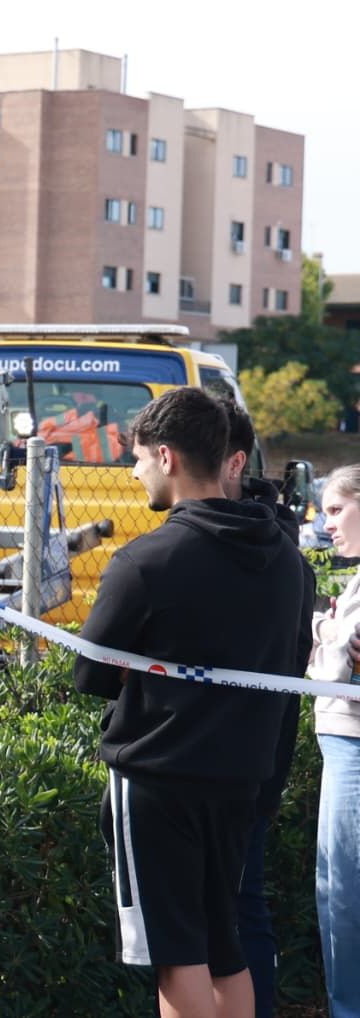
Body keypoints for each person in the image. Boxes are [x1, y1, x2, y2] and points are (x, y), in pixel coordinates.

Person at [73, 387, 309, 1018]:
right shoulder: (288, 559)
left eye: (138, 456)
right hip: (241, 781)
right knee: (225, 946)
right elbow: (291, 669)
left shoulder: (146, 560)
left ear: (168, 456)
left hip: (158, 784)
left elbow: (90, 674)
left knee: (179, 955)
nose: (132, 471)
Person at [218, 397, 312, 1018]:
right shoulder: (283, 544)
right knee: (243, 904)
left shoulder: (235, 544)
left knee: (213, 922)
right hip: (263, 755)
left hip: (212, 765)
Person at [312, 465, 360, 1018]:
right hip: (341, 744)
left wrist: (324, 633)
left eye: (335, 509)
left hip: (352, 746)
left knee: (344, 895)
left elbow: (335, 668)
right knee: (335, 889)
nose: (326, 524)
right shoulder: (353, 579)